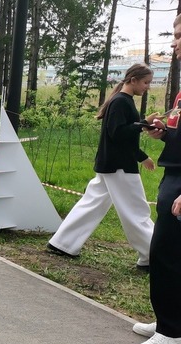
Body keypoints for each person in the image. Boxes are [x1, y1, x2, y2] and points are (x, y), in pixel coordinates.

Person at [46, 63, 155, 272]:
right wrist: (143, 125)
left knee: (92, 203)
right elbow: (118, 134)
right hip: (119, 167)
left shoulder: (122, 101)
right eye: (146, 82)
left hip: (111, 164)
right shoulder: (122, 102)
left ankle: (63, 243)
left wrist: (142, 148)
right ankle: (153, 255)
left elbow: (120, 135)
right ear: (133, 80)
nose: (147, 87)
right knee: (136, 210)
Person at [133, 14, 181, 344]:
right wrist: (164, 133)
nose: (175, 42)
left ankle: (172, 331)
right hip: (174, 173)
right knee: (168, 253)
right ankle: (169, 318)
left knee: (166, 254)